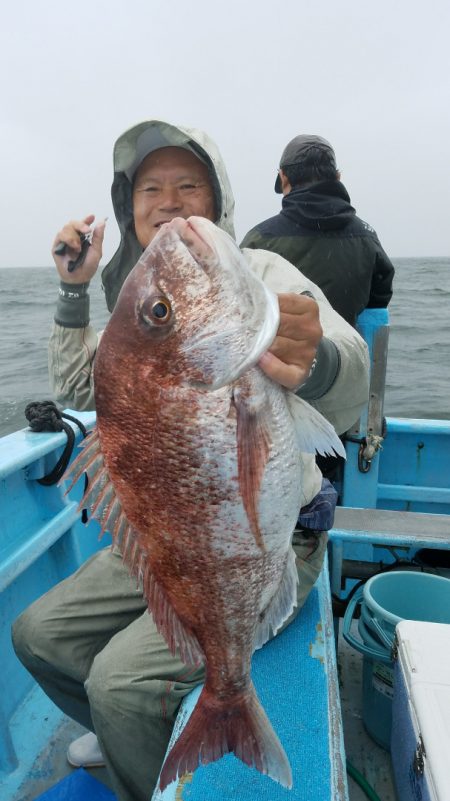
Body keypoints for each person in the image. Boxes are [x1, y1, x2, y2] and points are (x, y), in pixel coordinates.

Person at [12, 120, 369, 801]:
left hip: (266, 538)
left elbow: (349, 368)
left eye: (188, 184)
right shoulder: (137, 294)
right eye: (150, 186)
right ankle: (128, 733)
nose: (168, 200)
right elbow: (83, 394)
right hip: (168, 533)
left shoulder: (259, 272)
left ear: (219, 198)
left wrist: (314, 357)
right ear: (129, 204)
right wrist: (72, 289)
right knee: (37, 634)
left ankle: (152, 739)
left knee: (118, 680)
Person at [241, 134, 395, 328]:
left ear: (283, 177)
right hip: (345, 355)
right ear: (338, 177)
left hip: (281, 357)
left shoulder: (259, 239)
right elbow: (379, 300)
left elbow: (239, 306)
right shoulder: (367, 237)